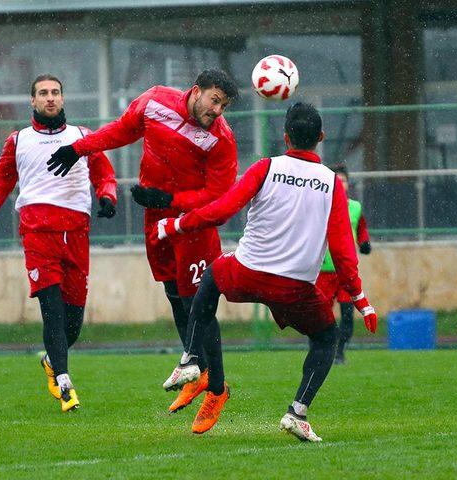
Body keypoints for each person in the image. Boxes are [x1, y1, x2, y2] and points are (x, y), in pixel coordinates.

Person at [157, 103, 378, 440]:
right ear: (321, 137)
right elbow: (343, 249)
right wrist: (361, 299)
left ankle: (194, 361)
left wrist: (177, 224)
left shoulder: (265, 168)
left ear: (285, 135)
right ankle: (297, 411)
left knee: (210, 280)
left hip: (247, 273)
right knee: (326, 339)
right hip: (296, 289)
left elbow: (223, 210)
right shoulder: (333, 183)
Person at [46, 70, 239, 413]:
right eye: (215, 100)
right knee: (175, 295)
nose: (218, 110)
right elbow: (121, 130)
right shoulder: (155, 102)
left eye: (224, 105)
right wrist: (78, 148)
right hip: (155, 217)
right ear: (196, 91)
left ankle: (215, 385)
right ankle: (199, 372)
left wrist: (170, 200)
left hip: (189, 223)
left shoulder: (221, 139)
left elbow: (218, 196)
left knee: (199, 303)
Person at [0, 74, 117, 412]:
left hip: (76, 232)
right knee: (51, 308)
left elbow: (104, 174)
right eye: (43, 93)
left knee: (73, 321)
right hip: (38, 231)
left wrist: (107, 197)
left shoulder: (82, 137)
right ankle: (65, 384)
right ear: (33, 101)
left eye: (55, 92)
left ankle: (52, 361)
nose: (50, 98)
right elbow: (3, 179)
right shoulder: (18, 140)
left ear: (63, 99)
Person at [316, 164, 371, 364]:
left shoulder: (355, 207)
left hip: (345, 273)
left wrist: (364, 242)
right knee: (321, 316)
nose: (340, 184)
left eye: (344, 180)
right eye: (336, 181)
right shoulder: (320, 206)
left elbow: (361, 227)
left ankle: (339, 351)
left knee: (347, 315)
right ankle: (321, 348)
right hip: (323, 271)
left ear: (348, 184)